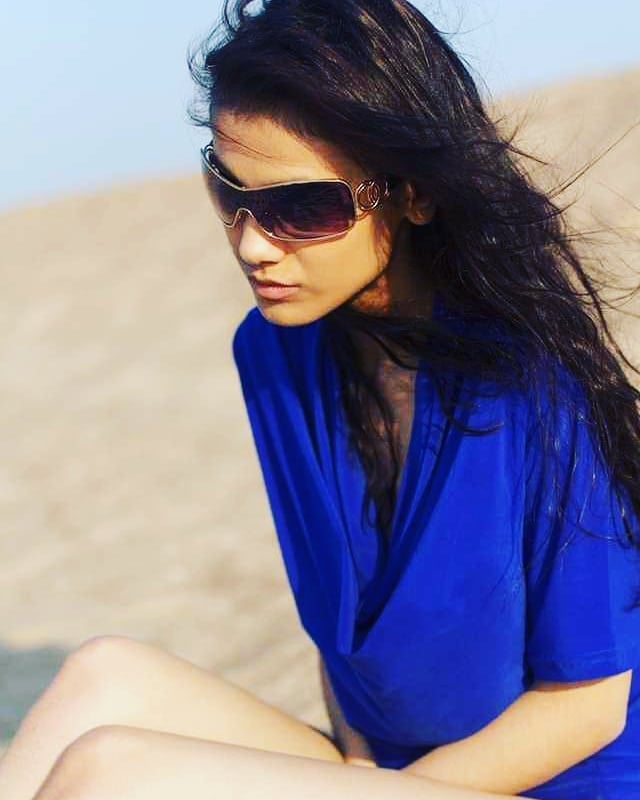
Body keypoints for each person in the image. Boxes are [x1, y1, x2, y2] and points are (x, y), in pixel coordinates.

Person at [1, 1, 639, 798]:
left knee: (106, 773)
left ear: (413, 194)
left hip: (555, 784)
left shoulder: (532, 380)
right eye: (227, 189)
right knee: (102, 677)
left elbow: (586, 707)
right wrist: (358, 772)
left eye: (302, 207)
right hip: (387, 774)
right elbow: (337, 624)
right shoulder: (275, 352)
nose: (251, 242)